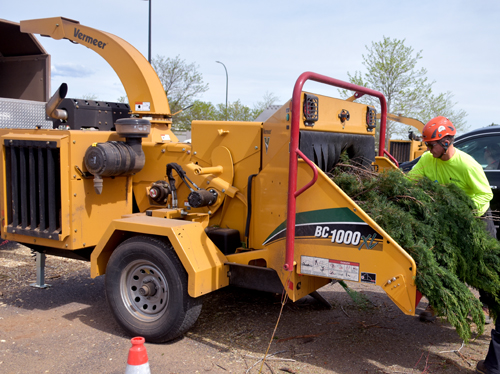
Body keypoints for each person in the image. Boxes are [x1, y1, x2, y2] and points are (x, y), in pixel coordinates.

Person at [406, 116, 497, 373]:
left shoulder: (466, 165)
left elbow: (484, 195)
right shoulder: (427, 160)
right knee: (442, 260)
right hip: (446, 220)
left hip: (475, 220)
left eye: (431, 144)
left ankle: (489, 304)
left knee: (481, 267)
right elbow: (412, 182)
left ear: (445, 142)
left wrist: (467, 213)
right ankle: (438, 301)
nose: (427, 149)